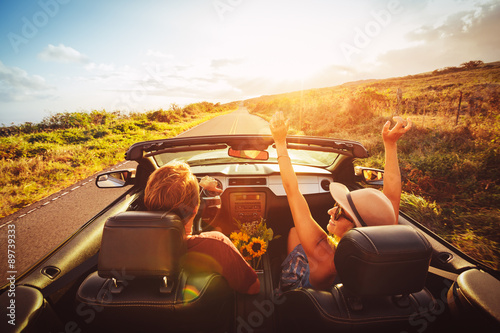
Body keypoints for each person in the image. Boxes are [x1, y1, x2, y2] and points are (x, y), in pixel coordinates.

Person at [269, 111, 412, 292]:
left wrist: (280, 142)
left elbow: (292, 191)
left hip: (302, 296)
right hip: (341, 296)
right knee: (296, 232)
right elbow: (391, 198)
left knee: (294, 233)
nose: (330, 212)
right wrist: (390, 145)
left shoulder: (326, 256)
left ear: (356, 229)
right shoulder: (381, 234)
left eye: (338, 211)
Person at [144, 161, 260, 295]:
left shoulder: (130, 244)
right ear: (196, 209)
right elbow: (253, 289)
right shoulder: (216, 244)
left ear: (148, 202)